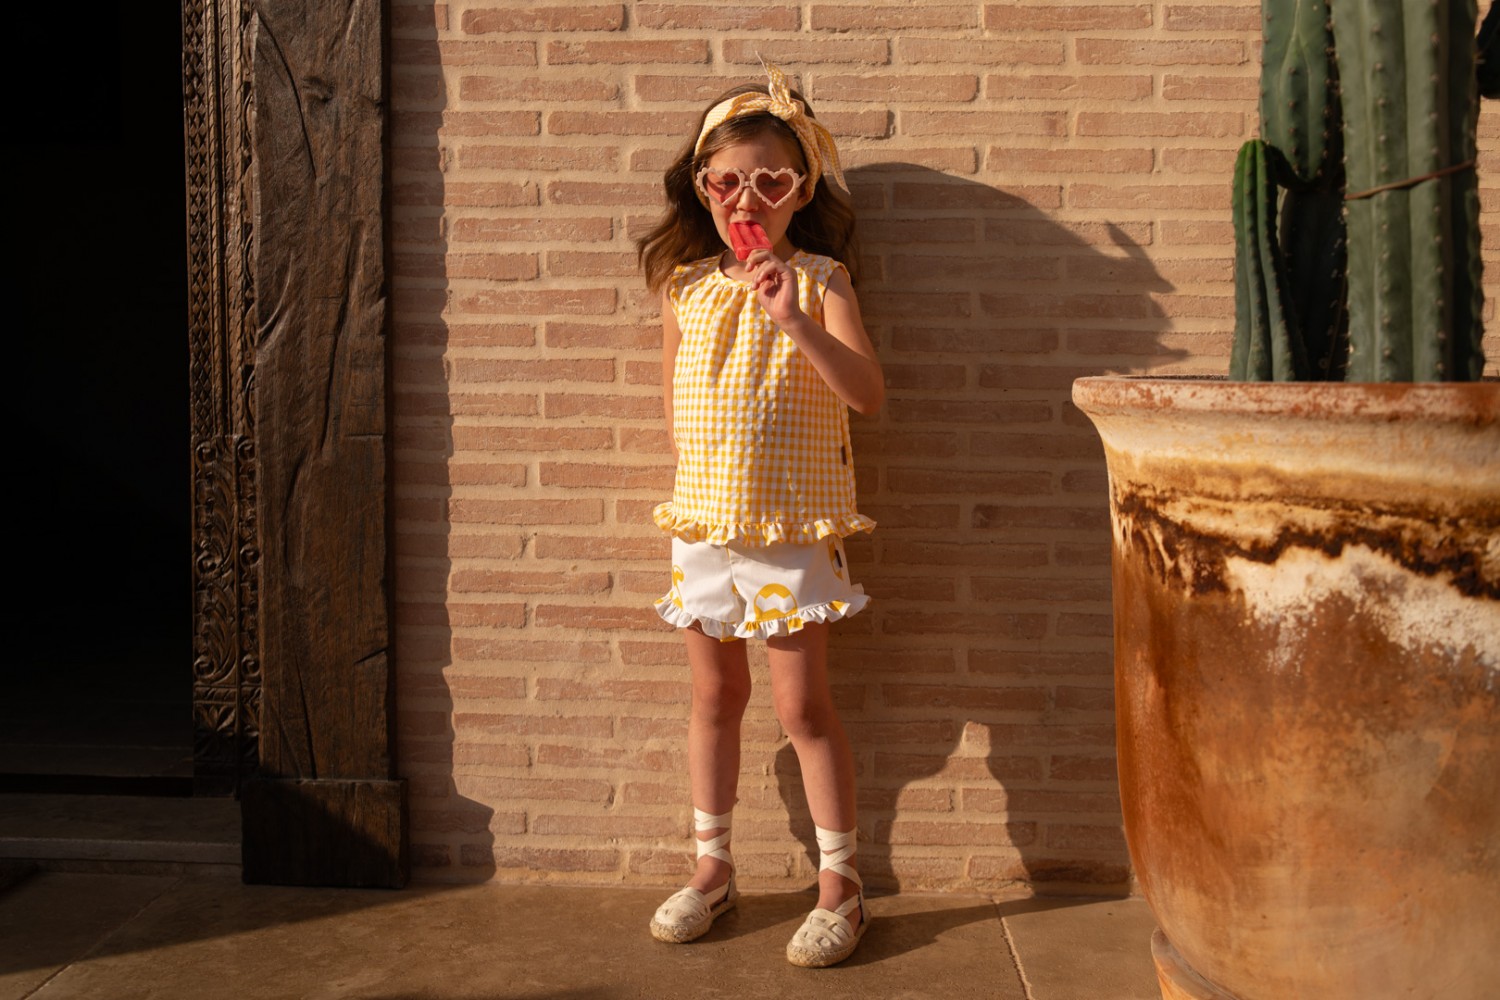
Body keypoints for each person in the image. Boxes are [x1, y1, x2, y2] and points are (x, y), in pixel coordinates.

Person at [634, 64, 884, 969]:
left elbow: (866, 395)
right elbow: (677, 403)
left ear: (803, 189)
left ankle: (841, 884)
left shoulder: (821, 281)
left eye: (770, 181)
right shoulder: (686, 288)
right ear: (701, 188)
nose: (747, 199)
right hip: (705, 525)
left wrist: (794, 321)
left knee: (802, 706)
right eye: (727, 181)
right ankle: (712, 868)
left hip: (790, 529)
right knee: (713, 699)